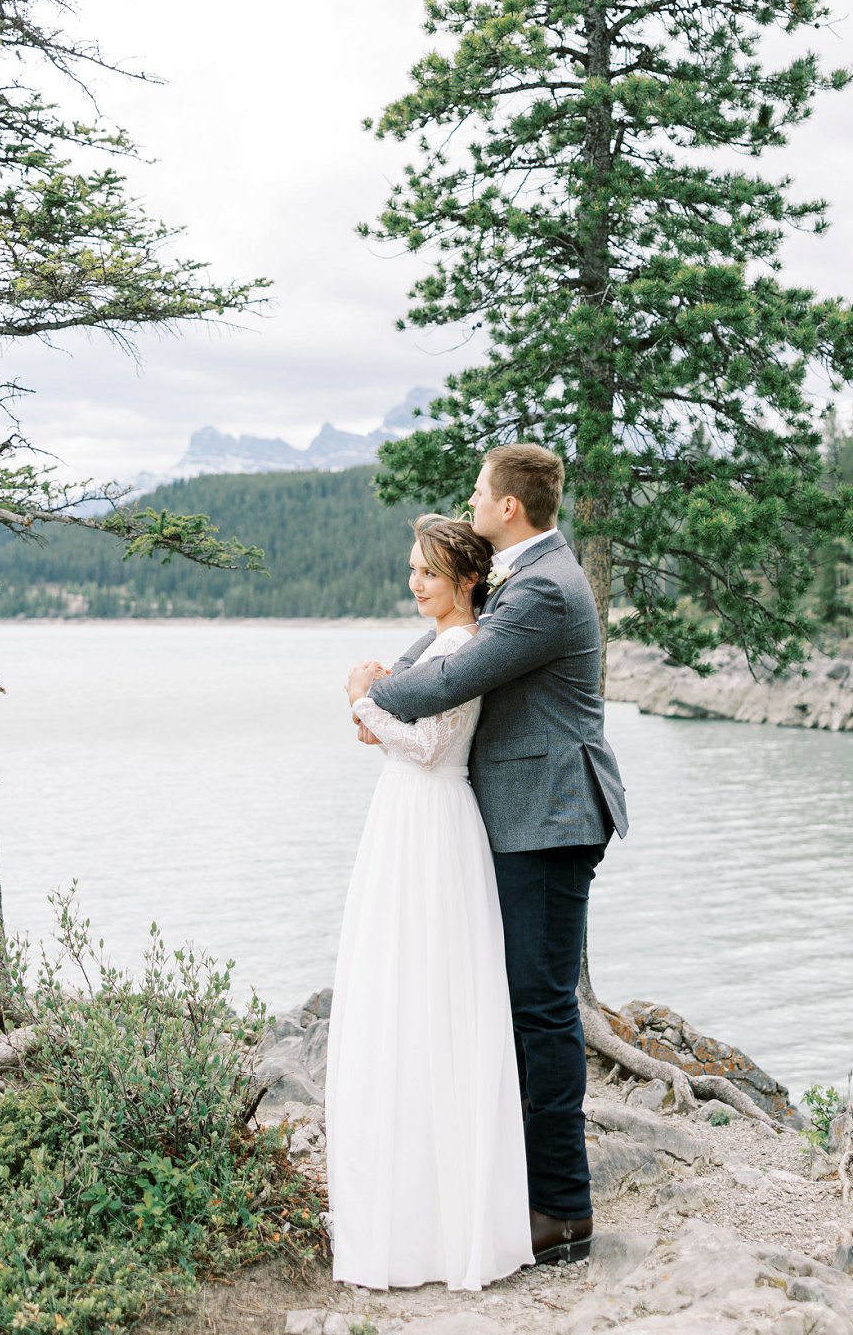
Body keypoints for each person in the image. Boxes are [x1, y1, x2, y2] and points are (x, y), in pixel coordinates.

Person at [347, 443, 628, 1267]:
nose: (470, 500)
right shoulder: (522, 577)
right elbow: (443, 648)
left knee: (539, 1008)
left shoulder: (543, 588)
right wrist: (385, 686)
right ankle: (511, 1189)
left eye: (478, 490)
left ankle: (565, 1212)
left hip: (549, 815)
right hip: (522, 816)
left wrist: (366, 696)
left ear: (509, 506)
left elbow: (451, 679)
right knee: (509, 1003)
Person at [325, 514, 533, 1291]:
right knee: (400, 992)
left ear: (466, 582)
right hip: (408, 820)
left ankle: (429, 1229)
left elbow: (430, 747)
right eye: (413, 569)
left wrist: (361, 703)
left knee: (426, 995)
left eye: (430, 574)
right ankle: (404, 1205)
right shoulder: (441, 645)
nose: (415, 583)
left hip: (433, 819)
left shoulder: (463, 648)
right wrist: (377, 714)